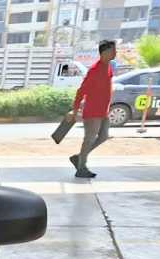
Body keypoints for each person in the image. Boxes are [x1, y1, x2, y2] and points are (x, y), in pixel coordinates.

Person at [68, 40, 117, 178]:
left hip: (103, 111)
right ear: (105, 52)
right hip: (93, 112)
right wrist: (75, 110)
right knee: (89, 139)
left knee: (103, 136)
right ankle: (81, 168)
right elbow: (81, 91)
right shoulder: (95, 70)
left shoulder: (108, 67)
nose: (115, 53)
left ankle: (79, 158)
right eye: (113, 50)